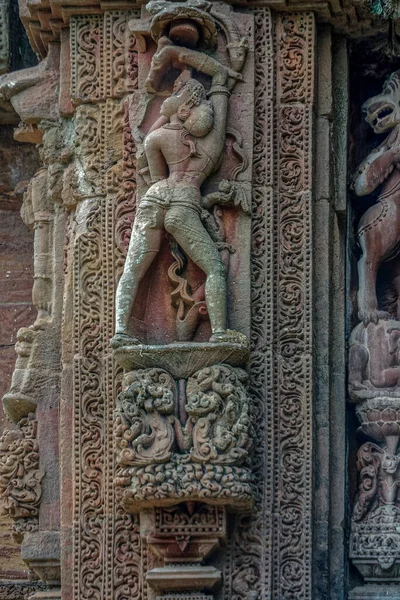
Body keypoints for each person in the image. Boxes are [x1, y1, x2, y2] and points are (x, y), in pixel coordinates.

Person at [111, 40, 244, 348]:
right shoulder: (210, 149)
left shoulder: (156, 139)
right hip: (185, 201)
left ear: (184, 108)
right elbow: (220, 85)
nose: (170, 95)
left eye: (177, 92)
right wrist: (205, 64)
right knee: (213, 267)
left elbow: (156, 178)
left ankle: (120, 330)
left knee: (133, 267)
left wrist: (175, 54)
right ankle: (220, 331)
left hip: (155, 197)